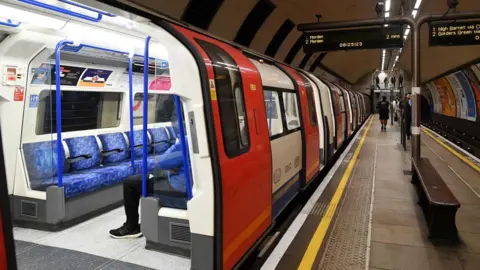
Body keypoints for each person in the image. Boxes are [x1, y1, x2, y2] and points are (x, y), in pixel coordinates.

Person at [109, 138, 188, 239]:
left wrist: (175, 147)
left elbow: (162, 161)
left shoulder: (185, 140)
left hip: (177, 188)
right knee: (150, 177)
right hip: (186, 184)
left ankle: (131, 226)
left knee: (130, 183)